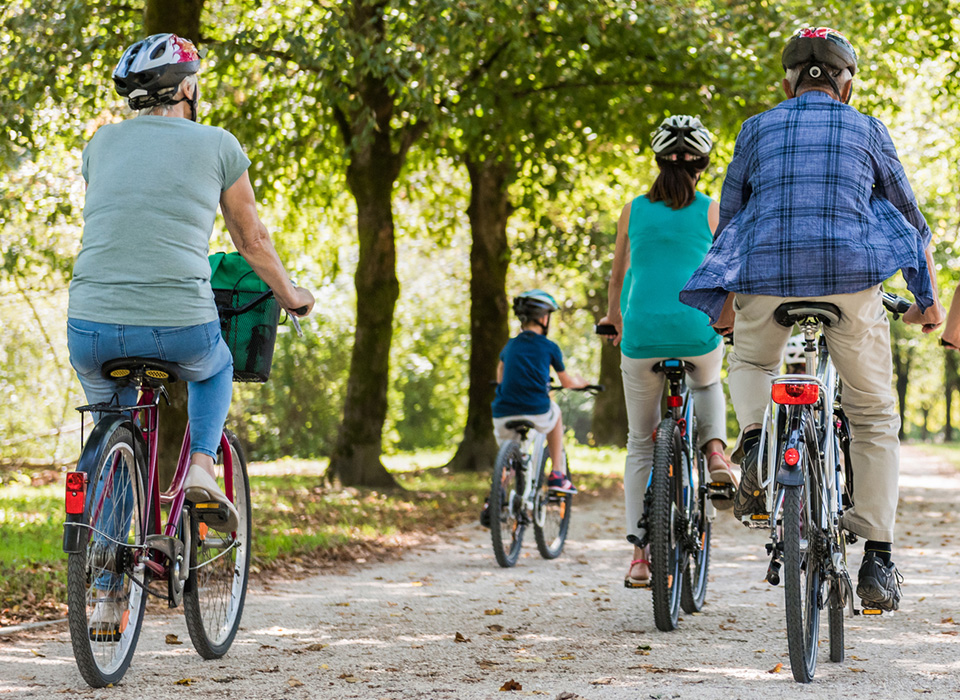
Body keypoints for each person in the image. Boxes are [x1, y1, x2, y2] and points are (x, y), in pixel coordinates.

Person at [679, 27, 944, 611]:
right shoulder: (868, 129)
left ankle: (754, 443)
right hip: (852, 283)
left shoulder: (756, 128)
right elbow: (910, 220)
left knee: (750, 358)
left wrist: (724, 291)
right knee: (873, 413)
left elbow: (732, 220)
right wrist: (925, 300)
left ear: (787, 82)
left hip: (766, 281)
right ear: (847, 85)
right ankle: (877, 560)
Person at [67, 33, 315, 613]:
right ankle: (202, 466)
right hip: (179, 321)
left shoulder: (100, 144)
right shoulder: (219, 144)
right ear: (185, 87)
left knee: (113, 422)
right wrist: (292, 296)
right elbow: (250, 240)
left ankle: (105, 596)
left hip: (90, 325)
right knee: (215, 366)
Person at [598, 115, 735, 590]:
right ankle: (716, 454)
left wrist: (613, 319)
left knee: (640, 442)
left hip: (641, 336)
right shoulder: (712, 209)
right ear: (702, 165)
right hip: (696, 330)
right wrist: (727, 319)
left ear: (658, 161)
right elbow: (726, 274)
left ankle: (639, 556)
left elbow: (619, 275)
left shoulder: (633, 209)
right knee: (708, 377)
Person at [491, 290, 588, 494]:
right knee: (556, 412)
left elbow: (500, 372)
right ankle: (557, 475)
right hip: (536, 411)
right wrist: (580, 383)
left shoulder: (510, 345)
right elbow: (566, 381)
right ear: (544, 318)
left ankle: (495, 498)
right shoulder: (549, 347)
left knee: (511, 458)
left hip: (502, 413)